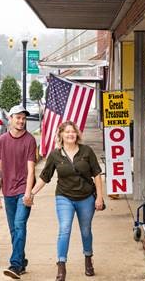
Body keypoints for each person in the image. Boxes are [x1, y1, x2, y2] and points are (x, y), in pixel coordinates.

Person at [28, 120, 104, 281]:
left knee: (85, 230)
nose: (70, 134)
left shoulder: (86, 151)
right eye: (67, 132)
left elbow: (96, 174)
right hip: (64, 197)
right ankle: (61, 267)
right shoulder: (55, 155)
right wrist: (31, 193)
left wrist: (100, 197)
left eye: (73, 131)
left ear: (77, 134)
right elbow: (44, 177)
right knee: (64, 229)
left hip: (86, 198)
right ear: (61, 135)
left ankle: (88, 259)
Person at [0, 104, 37, 279]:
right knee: (14, 230)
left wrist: (28, 193)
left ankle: (15, 265)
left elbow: (31, 170)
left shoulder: (30, 140)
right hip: (7, 191)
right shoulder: (2, 140)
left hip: (22, 190)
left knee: (19, 225)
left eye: (24, 118)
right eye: (18, 117)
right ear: (10, 119)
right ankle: (23, 259)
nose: (21, 121)